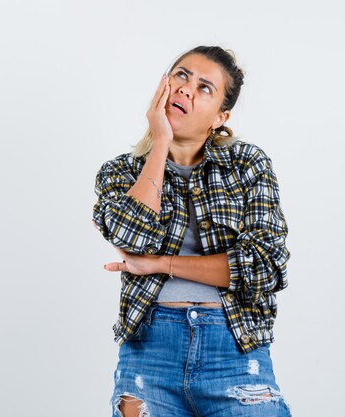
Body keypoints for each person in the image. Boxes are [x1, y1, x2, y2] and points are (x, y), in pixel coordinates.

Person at [91, 46, 293, 417]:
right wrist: (160, 142)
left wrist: (160, 263)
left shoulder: (248, 164)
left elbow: (266, 269)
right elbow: (130, 236)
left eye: (204, 87)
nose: (186, 89)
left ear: (220, 116)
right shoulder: (119, 172)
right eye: (181, 75)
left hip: (234, 350)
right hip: (149, 354)